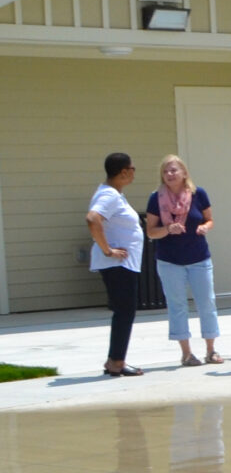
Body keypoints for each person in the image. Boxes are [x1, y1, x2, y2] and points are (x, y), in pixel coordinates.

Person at [144, 154, 222, 365]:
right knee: (177, 305)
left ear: (184, 173)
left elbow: (210, 220)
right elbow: (151, 232)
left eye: (173, 170)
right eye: (165, 171)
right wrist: (168, 229)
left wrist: (205, 227)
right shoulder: (156, 198)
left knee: (206, 303)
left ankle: (211, 350)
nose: (169, 174)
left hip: (199, 258)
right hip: (169, 261)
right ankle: (186, 353)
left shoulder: (198, 194)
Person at [86, 153, 146, 378]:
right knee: (124, 312)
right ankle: (116, 362)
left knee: (124, 311)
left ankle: (114, 359)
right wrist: (108, 250)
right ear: (123, 172)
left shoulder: (114, 194)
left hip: (123, 264)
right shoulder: (109, 195)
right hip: (117, 264)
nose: (134, 172)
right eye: (133, 168)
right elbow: (93, 219)